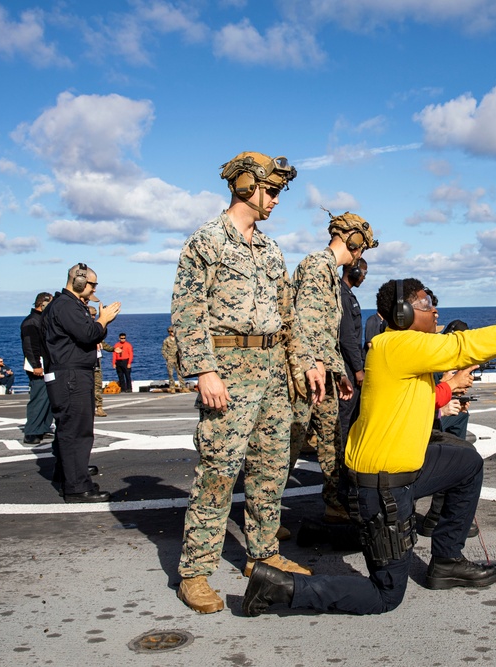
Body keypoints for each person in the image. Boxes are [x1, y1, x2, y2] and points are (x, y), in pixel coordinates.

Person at [242, 277, 496, 617]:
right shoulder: (399, 346)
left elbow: (453, 363)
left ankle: (447, 561)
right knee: (385, 596)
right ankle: (280, 588)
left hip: (397, 474)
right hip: (383, 490)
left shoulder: (399, 350)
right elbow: (464, 345)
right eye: (426, 304)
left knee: (467, 463)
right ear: (403, 312)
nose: (434, 309)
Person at [170, 151, 324, 614]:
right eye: (272, 191)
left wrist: (308, 363)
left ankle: (262, 554)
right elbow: (187, 311)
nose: (276, 200)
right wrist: (204, 370)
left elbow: (289, 315)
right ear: (244, 186)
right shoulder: (206, 242)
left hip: (273, 367)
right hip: (228, 367)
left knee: (271, 469)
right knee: (218, 471)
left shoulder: (271, 249)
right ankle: (195, 572)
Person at [288, 211, 378, 525]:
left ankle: (334, 501)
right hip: (306, 375)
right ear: (352, 239)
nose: (361, 252)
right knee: (290, 444)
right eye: (361, 245)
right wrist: (317, 369)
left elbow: (328, 332)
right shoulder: (317, 266)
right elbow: (309, 326)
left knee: (332, 439)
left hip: (324, 372)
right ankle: (265, 522)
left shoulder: (329, 271)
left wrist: (337, 373)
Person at [42, 263, 120, 502]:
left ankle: (69, 473)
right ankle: (76, 487)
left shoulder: (67, 305)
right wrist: (103, 319)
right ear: (78, 281)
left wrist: (100, 324)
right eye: (92, 284)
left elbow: (90, 334)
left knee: (70, 429)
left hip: (70, 374)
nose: (94, 288)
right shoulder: (66, 306)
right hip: (72, 376)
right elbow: (88, 335)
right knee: (77, 431)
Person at [337, 257, 367, 448]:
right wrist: (358, 369)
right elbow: (347, 338)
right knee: (345, 416)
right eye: (363, 273)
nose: (364, 277)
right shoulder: (342, 296)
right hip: (347, 366)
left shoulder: (346, 294)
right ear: (354, 272)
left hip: (350, 364)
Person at [21, 292, 54, 445]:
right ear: (43, 304)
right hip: (38, 365)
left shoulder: (40, 320)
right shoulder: (31, 322)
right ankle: (32, 431)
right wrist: (36, 366)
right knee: (39, 397)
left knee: (48, 397)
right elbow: (30, 346)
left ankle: (44, 427)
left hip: (46, 364)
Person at [160, 327, 182, 392]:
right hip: (170, 358)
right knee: (170, 373)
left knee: (180, 373)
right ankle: (172, 387)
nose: (173, 333)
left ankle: (183, 386)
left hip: (177, 358)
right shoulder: (166, 340)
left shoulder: (178, 339)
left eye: (173, 331)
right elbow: (163, 350)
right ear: (169, 332)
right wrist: (167, 357)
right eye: (171, 331)